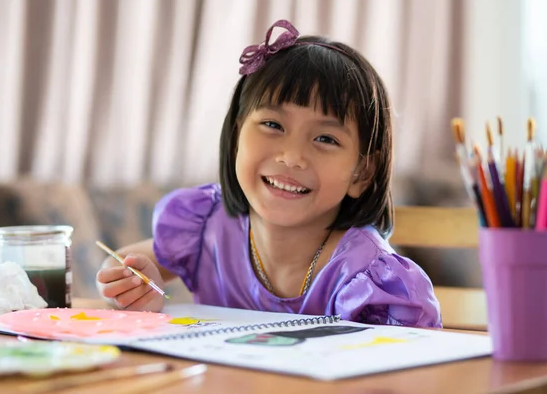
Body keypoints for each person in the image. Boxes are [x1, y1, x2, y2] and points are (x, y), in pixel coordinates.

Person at [96, 19, 441, 328]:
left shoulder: (367, 279)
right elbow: (132, 267)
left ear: (362, 173)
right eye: (273, 125)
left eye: (325, 138)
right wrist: (129, 285)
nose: (291, 157)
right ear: (235, 138)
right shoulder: (204, 225)